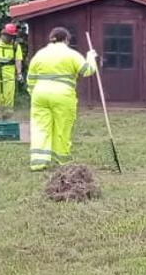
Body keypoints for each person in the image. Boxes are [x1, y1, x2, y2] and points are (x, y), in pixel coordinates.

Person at [25, 27, 97, 172]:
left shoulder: (40, 54)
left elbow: (31, 78)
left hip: (40, 94)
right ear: (66, 39)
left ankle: (38, 161)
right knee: (62, 127)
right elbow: (87, 70)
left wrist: (33, 93)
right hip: (62, 95)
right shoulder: (71, 54)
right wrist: (91, 56)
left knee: (40, 127)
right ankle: (62, 160)